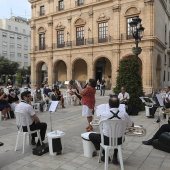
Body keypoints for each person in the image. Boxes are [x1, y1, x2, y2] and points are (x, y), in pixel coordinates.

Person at [89, 96, 134, 164]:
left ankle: (105, 155)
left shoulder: (104, 114)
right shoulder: (124, 114)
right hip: (119, 141)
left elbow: (100, 125)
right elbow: (131, 125)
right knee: (117, 134)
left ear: (109, 105)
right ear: (119, 105)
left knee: (91, 135)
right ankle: (115, 157)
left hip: (106, 141)